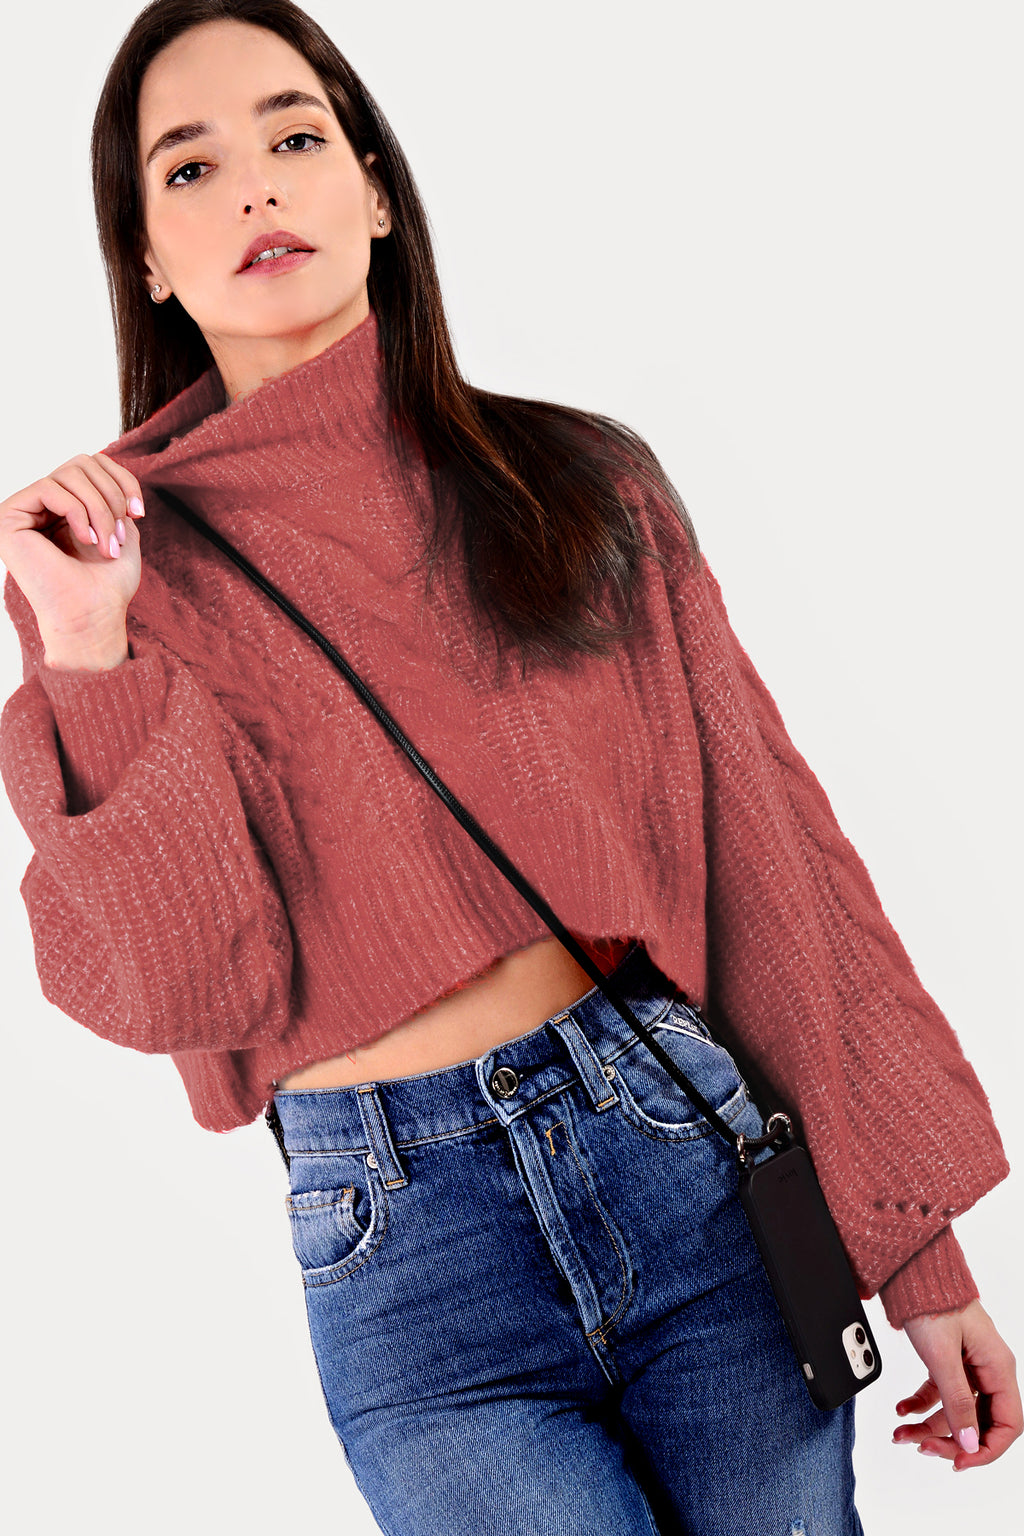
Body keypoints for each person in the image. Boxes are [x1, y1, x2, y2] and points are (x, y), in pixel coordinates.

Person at [0, 1, 1018, 1531]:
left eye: (295, 137)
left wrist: (917, 1251)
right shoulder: (117, 577)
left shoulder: (578, 484)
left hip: (675, 1154)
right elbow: (183, 992)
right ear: (144, 255)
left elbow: (771, 864)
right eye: (190, 168)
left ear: (375, 191)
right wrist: (88, 651)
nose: (258, 187)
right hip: (410, 1261)